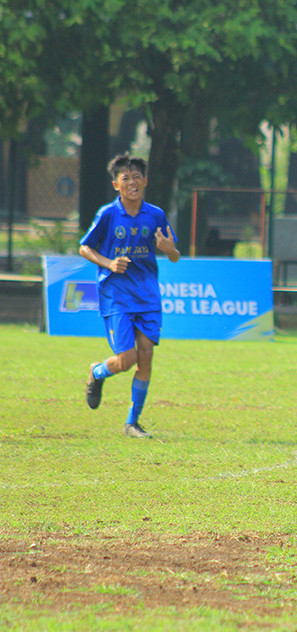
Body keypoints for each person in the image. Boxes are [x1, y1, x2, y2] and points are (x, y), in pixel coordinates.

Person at [80, 153, 181, 438]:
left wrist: (169, 249)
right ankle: (98, 372)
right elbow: (84, 248)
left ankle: (131, 423)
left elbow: (175, 256)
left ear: (145, 181)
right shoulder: (108, 214)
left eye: (137, 177)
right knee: (126, 360)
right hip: (116, 294)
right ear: (116, 185)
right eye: (126, 178)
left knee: (146, 356)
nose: (132, 182)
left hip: (147, 295)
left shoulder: (156, 214)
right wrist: (110, 263)